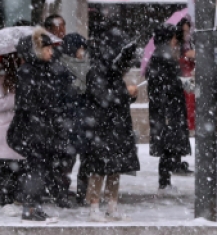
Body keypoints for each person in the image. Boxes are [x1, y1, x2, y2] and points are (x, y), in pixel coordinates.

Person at [7, 27, 67, 223]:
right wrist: (45, 114)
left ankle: (35, 206)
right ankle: (30, 208)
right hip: (34, 130)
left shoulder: (44, 70)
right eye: (47, 48)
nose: (51, 52)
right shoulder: (28, 71)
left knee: (41, 169)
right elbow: (27, 103)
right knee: (35, 169)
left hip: (43, 128)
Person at [80, 26, 140, 222]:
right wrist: (125, 93)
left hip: (116, 127)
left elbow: (116, 99)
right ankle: (95, 207)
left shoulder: (113, 73)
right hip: (102, 128)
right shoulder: (97, 71)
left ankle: (112, 205)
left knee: (115, 169)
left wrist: (130, 95)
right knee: (99, 169)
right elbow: (103, 98)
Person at [146, 25, 191, 193]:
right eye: (173, 38)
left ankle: (165, 181)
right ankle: (164, 182)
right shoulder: (163, 57)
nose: (175, 41)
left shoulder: (159, 56)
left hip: (165, 108)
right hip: (167, 109)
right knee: (168, 146)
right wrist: (182, 83)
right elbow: (168, 84)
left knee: (168, 145)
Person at [0, 53, 25, 216]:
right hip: (5, 130)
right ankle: (5, 199)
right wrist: (14, 98)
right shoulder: (0, 83)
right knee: (6, 167)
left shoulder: (23, 81)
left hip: (18, 130)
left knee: (18, 166)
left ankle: (16, 197)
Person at [59, 33, 91, 204]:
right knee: (67, 160)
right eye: (80, 48)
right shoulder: (60, 67)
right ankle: (62, 193)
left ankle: (82, 193)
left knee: (86, 159)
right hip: (68, 120)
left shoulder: (86, 67)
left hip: (84, 120)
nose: (83, 52)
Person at [177, 17, 196, 133]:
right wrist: (185, 57)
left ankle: (192, 126)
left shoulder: (192, 44)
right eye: (184, 31)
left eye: (188, 31)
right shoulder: (177, 44)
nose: (186, 34)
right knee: (187, 101)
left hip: (191, 77)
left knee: (192, 101)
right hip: (181, 77)